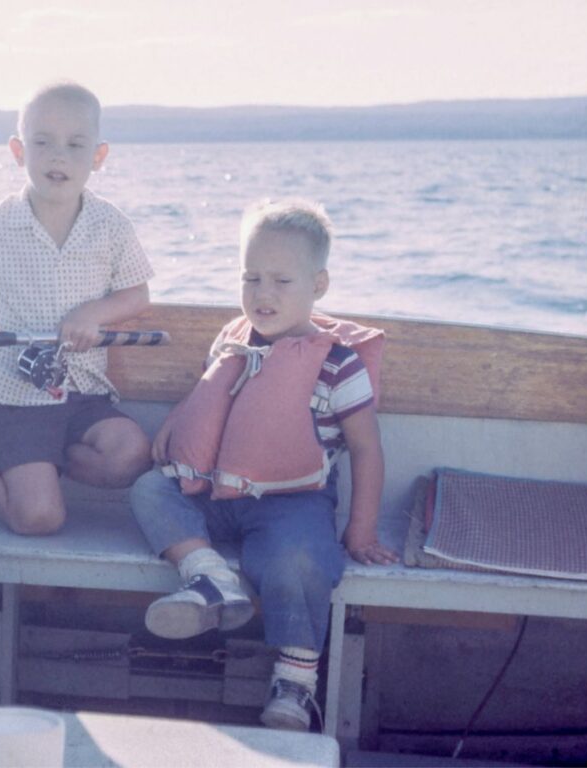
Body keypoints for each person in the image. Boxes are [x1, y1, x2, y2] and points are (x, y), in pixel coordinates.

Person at [130, 198, 399, 731]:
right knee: (148, 490)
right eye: (251, 278)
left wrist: (360, 530)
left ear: (318, 286)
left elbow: (366, 447)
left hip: (292, 502)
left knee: (300, 559)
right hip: (212, 493)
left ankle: (295, 684)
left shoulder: (337, 365)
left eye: (281, 281)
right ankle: (210, 580)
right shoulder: (232, 338)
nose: (263, 294)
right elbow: (210, 397)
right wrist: (175, 423)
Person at [0, 82, 154, 535]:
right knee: (38, 518)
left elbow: (137, 295)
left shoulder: (111, 224)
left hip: (83, 395)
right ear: (19, 151)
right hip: (12, 401)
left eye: (75, 145)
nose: (58, 156)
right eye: (43, 142)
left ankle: (35, 466)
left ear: (98, 157)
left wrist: (92, 314)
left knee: (131, 455)